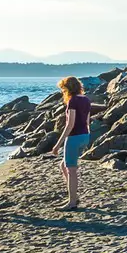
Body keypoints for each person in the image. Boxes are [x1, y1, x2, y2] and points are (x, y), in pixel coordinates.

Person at [50, 76, 104, 210]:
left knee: (71, 170)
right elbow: (87, 121)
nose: (63, 91)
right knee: (64, 166)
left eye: (63, 89)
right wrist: (87, 136)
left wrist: (57, 144)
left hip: (74, 137)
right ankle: (73, 196)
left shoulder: (73, 101)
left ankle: (72, 202)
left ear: (68, 88)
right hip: (85, 136)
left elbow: (70, 125)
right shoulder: (85, 99)